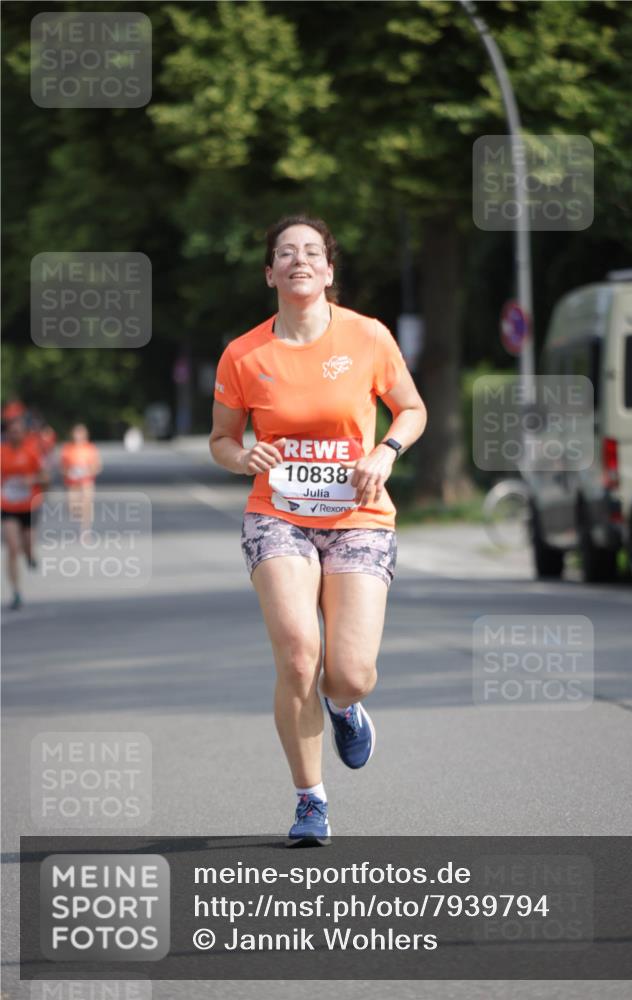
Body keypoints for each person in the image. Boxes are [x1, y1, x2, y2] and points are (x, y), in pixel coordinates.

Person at [209, 215, 427, 845]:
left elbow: (411, 408)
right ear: (269, 272)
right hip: (278, 515)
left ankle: (343, 705)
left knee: (350, 671)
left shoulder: (368, 337)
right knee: (300, 653)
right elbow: (222, 440)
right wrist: (243, 455)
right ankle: (310, 800)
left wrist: (386, 450)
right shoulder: (244, 354)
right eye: (286, 253)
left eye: (312, 252)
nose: (299, 261)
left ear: (329, 270)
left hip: (359, 514)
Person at [1, 416, 49, 609]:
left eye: (18, 431)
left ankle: (30, 555)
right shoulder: (1, 452)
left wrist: (33, 480)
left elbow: (46, 478)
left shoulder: (33, 450)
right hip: (7, 505)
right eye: (11, 431)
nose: (15, 434)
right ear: (6, 434)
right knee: (12, 548)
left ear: (24, 433)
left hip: (29, 504)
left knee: (27, 544)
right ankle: (16, 592)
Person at [60, 424, 102, 533]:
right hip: (72, 482)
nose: (78, 436)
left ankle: (85, 529)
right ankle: (79, 516)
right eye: (76, 433)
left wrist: (88, 472)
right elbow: (62, 467)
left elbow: (97, 467)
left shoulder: (90, 448)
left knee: (87, 503)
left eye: (80, 433)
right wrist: (68, 472)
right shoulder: (67, 449)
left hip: (86, 480)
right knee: (73, 508)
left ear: (85, 435)